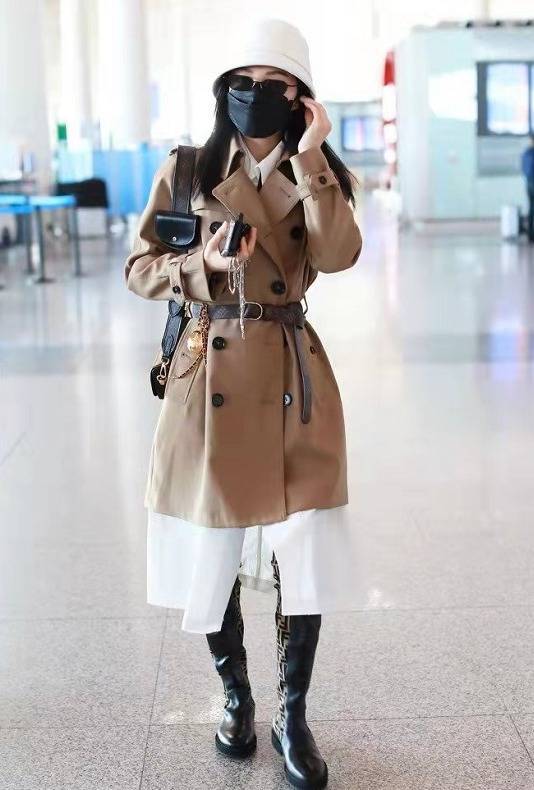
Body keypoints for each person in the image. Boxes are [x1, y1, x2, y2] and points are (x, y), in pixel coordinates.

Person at [124, 17, 363, 790]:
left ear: (301, 98)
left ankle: (294, 715)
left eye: (272, 85)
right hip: (208, 373)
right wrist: (200, 262)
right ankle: (236, 698)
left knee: (304, 551)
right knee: (213, 546)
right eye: (241, 82)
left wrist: (312, 154)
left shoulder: (317, 170)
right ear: (221, 89)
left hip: (292, 371)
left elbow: (338, 255)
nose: (253, 95)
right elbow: (140, 268)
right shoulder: (188, 169)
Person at [521, 135, 534, 243]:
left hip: (529, 183)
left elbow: (524, 170)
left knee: (531, 208)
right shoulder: (530, 153)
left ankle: (530, 234)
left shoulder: (525, 153)